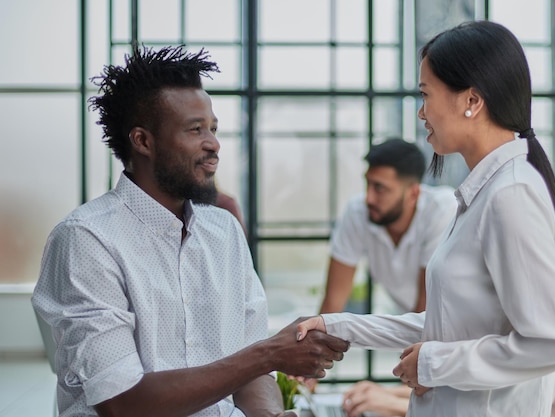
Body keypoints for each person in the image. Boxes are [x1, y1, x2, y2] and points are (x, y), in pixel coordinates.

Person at [31, 45, 349, 417]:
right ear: (143, 141)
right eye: (195, 130)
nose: (213, 144)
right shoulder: (87, 240)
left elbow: (250, 374)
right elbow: (122, 403)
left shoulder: (224, 232)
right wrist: (269, 353)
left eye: (213, 129)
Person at [295, 21, 555, 417]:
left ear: (471, 100)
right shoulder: (485, 193)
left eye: (425, 95)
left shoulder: (509, 195)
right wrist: (336, 326)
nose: (421, 112)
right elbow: (447, 326)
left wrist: (434, 363)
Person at [318, 138, 457, 315]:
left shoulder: (442, 211)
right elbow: (332, 303)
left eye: (380, 188)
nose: (369, 198)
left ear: (413, 194)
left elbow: (427, 310)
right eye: (368, 184)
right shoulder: (358, 212)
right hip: (412, 324)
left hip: (459, 329)